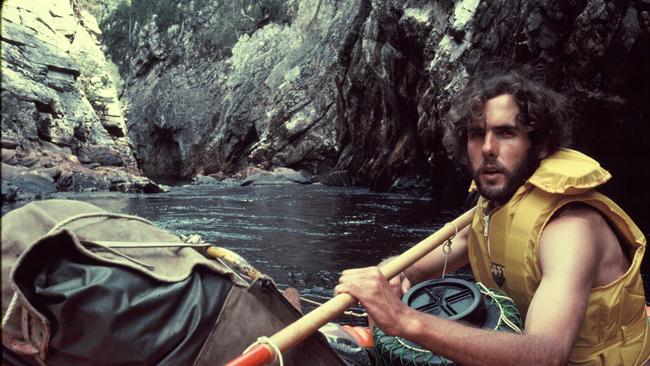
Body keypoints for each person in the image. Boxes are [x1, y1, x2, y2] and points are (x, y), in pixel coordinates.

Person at [335, 71, 650, 365]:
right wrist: (398, 272)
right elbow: (447, 249)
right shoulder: (495, 207)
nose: (487, 148)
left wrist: (404, 320)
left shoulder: (570, 229)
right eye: (476, 134)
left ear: (541, 146)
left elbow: (547, 353)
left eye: (506, 133)